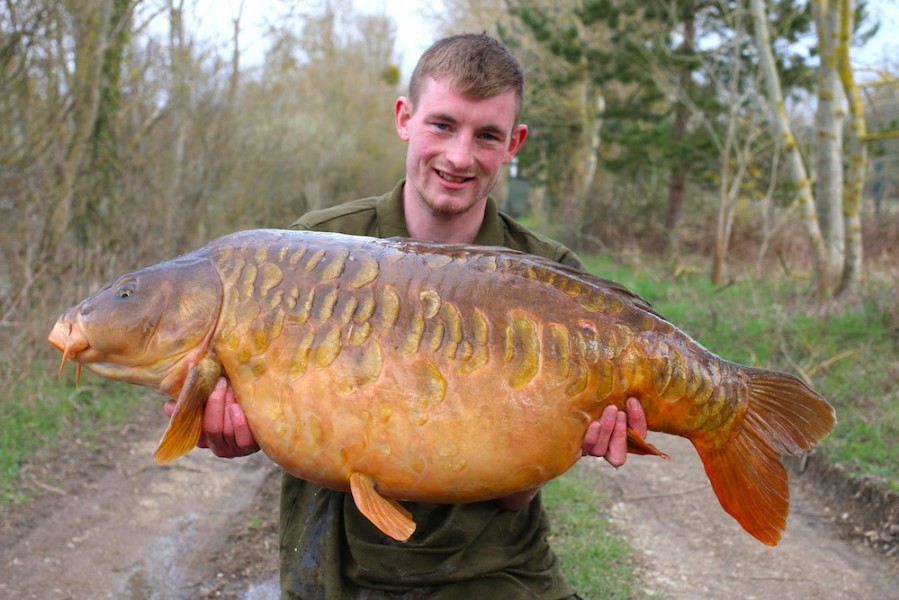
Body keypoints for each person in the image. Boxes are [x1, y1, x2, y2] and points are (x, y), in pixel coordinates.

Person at [166, 33, 648, 599]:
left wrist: (568, 443)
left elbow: (516, 491)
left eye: (486, 135)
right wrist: (235, 432)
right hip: (333, 571)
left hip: (494, 574)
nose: (459, 156)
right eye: (442, 125)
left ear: (513, 142)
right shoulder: (312, 246)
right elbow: (277, 409)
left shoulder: (550, 274)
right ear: (405, 117)